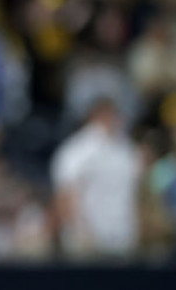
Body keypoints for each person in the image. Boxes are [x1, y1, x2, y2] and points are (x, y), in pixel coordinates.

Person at [50, 97, 143, 260]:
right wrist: (78, 233)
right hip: (87, 245)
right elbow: (65, 195)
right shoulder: (76, 151)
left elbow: (137, 195)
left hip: (124, 243)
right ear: (94, 116)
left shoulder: (128, 151)